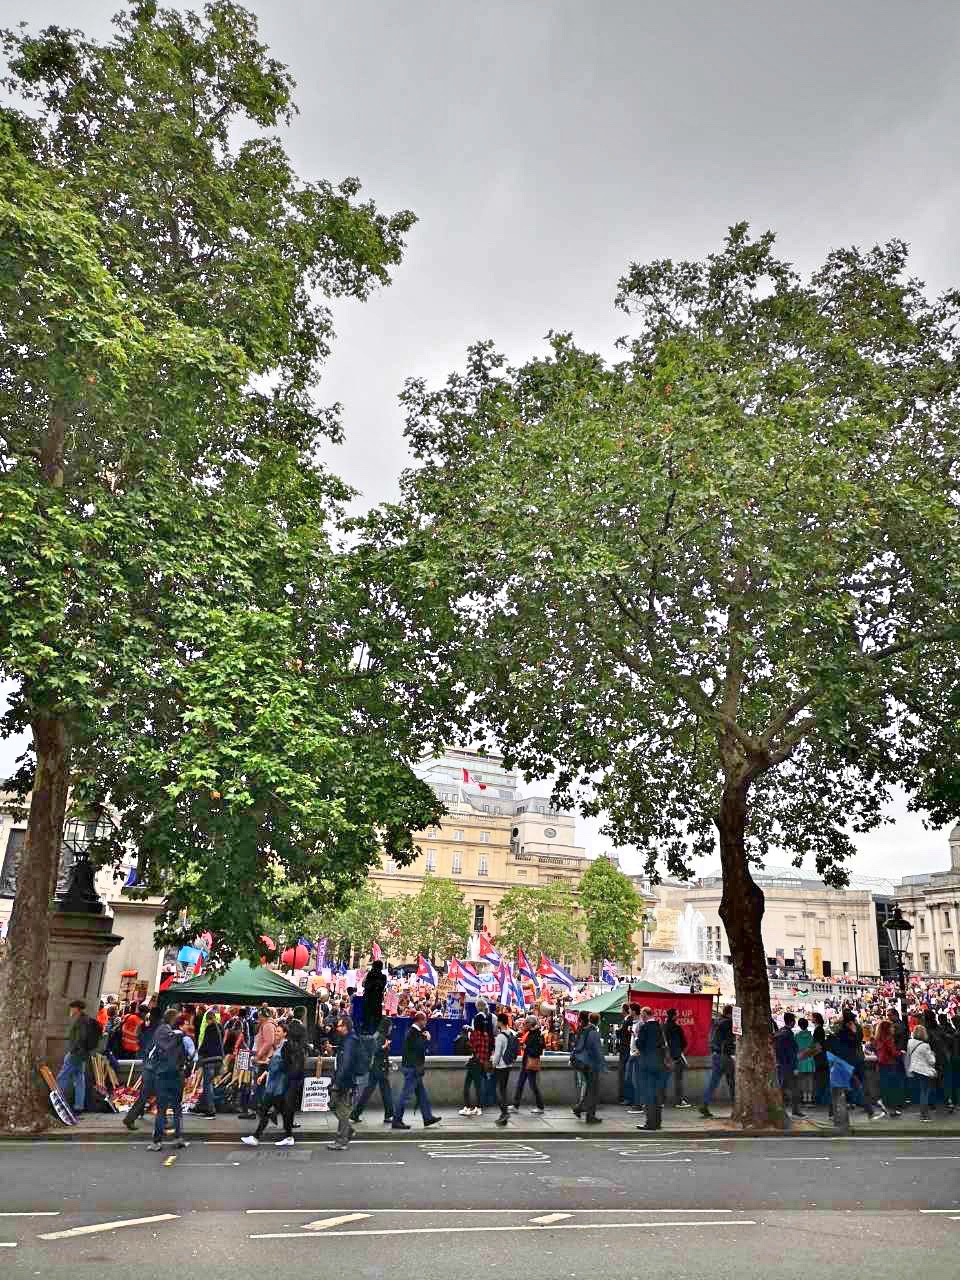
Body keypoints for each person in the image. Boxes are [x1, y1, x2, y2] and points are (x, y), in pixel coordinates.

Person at [147, 1009, 190, 1151]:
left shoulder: (160, 1033)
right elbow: (189, 1056)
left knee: (161, 1110)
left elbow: (152, 1053)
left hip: (162, 1075)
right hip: (177, 1075)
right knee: (177, 1108)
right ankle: (178, 1138)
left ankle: (157, 1142)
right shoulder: (182, 1036)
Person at [392, 1012, 441, 1130]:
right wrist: (427, 1039)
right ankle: (397, 1120)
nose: (426, 1022)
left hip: (413, 1068)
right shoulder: (414, 1033)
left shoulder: (413, 1032)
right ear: (419, 1020)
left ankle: (428, 1117)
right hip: (413, 1069)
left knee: (422, 1095)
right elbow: (420, 1048)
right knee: (405, 1095)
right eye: (425, 1020)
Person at [241, 1026, 288, 1146]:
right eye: (276, 1031)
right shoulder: (278, 1047)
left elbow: (281, 1065)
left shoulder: (285, 1047)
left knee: (265, 1110)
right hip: (273, 1085)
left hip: (277, 1086)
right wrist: (265, 1073)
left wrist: (269, 1066)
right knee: (278, 1111)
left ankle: (256, 1137)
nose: (276, 1033)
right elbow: (274, 1064)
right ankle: (288, 1135)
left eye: (278, 1031)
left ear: (285, 1034)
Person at [57, 999, 99, 1115]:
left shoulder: (81, 1021)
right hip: (83, 1055)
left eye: (72, 1008)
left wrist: (72, 1051)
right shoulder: (85, 1019)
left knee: (62, 1077)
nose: (70, 1010)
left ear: (76, 1009)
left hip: (76, 1054)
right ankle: (79, 1106)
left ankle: (59, 1104)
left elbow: (81, 1038)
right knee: (79, 1079)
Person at [328, 1014, 362, 1151]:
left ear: (346, 1027)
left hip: (345, 1081)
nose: (337, 1027)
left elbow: (346, 1063)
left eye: (340, 1025)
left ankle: (341, 1141)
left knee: (342, 1111)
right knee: (333, 1105)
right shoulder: (346, 1040)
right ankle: (348, 1130)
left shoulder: (350, 1041)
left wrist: (338, 1082)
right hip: (342, 1079)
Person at [351, 1016, 394, 1125]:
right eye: (390, 1027)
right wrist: (384, 1046)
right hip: (380, 1068)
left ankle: (355, 1113)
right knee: (386, 1092)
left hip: (375, 1068)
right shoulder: (381, 1037)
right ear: (387, 1027)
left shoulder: (376, 1034)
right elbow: (376, 1050)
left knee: (368, 1091)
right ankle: (389, 1115)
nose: (391, 1029)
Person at [633, 1007, 668, 1131]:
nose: (641, 1017)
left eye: (642, 1015)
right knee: (657, 1094)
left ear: (645, 1015)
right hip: (659, 1064)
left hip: (647, 1064)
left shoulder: (644, 1028)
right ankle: (658, 1122)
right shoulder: (659, 1027)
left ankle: (650, 1123)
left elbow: (640, 1045)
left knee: (649, 1094)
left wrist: (636, 1037)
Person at [277, 1008, 308, 1145]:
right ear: (304, 1015)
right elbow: (301, 1048)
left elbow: (286, 1048)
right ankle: (288, 1132)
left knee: (286, 1098)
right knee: (290, 1100)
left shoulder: (288, 1026)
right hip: (297, 1069)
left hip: (287, 1068)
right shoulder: (302, 1028)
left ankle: (287, 1132)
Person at [700, 1005, 736, 1119]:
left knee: (713, 1082)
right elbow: (733, 1039)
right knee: (732, 1082)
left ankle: (704, 1104)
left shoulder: (717, 1022)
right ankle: (736, 1105)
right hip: (725, 1055)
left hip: (715, 1055)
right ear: (730, 1013)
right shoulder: (728, 1023)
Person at [573, 1012, 606, 1125]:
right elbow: (597, 1051)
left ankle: (579, 1108)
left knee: (589, 1089)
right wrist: (603, 1066)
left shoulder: (583, 1030)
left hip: (582, 1063)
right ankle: (590, 1116)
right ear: (598, 1021)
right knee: (593, 1090)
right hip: (591, 1065)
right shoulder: (593, 1032)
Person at [460, 1013, 493, 1116]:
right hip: (482, 1063)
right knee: (478, 1087)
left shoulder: (475, 1034)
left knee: (466, 1086)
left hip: (474, 1063)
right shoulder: (486, 1035)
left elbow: (471, 1048)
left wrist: (467, 1036)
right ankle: (478, 1108)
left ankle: (467, 1107)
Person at [513, 1015, 546, 1113]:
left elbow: (537, 1051)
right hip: (526, 1062)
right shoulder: (532, 1033)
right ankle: (515, 1105)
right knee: (520, 1084)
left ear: (530, 1024)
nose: (523, 1025)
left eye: (525, 1023)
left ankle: (540, 1107)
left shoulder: (536, 1035)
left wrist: (525, 1047)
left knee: (533, 1085)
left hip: (530, 1063)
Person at [194, 1008, 224, 1117]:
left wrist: (199, 1054)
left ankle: (211, 1109)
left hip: (210, 1060)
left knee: (208, 1085)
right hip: (219, 1059)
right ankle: (201, 1105)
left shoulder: (209, 1028)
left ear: (208, 1019)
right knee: (209, 1083)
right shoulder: (221, 1027)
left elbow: (205, 1043)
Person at [491, 1012, 518, 1126]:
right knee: (503, 1089)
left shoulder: (500, 1037)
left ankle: (504, 1112)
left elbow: (497, 1055)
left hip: (500, 1066)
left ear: (501, 1022)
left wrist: (493, 1064)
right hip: (508, 1065)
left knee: (498, 1091)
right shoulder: (511, 1033)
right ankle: (504, 1116)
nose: (496, 1023)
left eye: (497, 1021)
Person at [775, 1012, 804, 1118]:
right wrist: (795, 1067)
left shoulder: (779, 1032)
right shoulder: (788, 1034)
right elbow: (792, 1052)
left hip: (780, 1064)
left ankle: (779, 1110)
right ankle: (795, 1111)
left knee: (781, 1089)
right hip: (789, 1066)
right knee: (794, 1089)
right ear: (792, 1022)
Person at [906, 1024, 937, 1121]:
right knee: (925, 1092)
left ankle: (923, 1112)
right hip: (924, 1071)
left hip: (914, 1069)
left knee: (922, 1091)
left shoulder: (910, 1042)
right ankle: (924, 1114)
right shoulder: (925, 1046)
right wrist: (932, 1054)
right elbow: (932, 1061)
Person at [874, 1018, 903, 1117]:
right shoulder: (889, 1038)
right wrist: (901, 1053)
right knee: (892, 1088)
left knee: (885, 1088)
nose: (893, 1029)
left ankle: (884, 1104)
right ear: (887, 1029)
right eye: (891, 1027)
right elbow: (893, 1052)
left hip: (881, 1065)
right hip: (889, 1064)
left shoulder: (878, 1039)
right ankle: (892, 1110)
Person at [664, 1008, 689, 1107]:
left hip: (665, 1056)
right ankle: (679, 1101)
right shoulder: (677, 1027)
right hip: (676, 1055)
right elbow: (684, 1042)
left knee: (663, 1079)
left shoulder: (663, 1026)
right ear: (674, 1016)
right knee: (678, 1079)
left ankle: (660, 1100)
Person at [361, 960, 387, 1033]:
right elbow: (366, 985)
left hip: (373, 1001)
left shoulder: (381, 977)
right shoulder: (371, 975)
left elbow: (381, 986)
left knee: (372, 1020)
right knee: (370, 1019)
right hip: (371, 1000)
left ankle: (369, 1030)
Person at [795, 1017, 815, 1106]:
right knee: (810, 1080)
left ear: (799, 1025)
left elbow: (795, 1049)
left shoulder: (797, 1036)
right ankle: (810, 1099)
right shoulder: (811, 1036)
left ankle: (804, 1098)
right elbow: (814, 1049)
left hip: (801, 1060)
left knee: (802, 1080)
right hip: (810, 1060)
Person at [617, 1004, 635, 1105]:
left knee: (627, 1075)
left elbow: (625, 1033)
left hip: (626, 1050)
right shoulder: (626, 1020)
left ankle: (628, 1098)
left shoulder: (629, 1020)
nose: (620, 1011)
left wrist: (619, 1031)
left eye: (621, 1009)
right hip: (625, 1050)